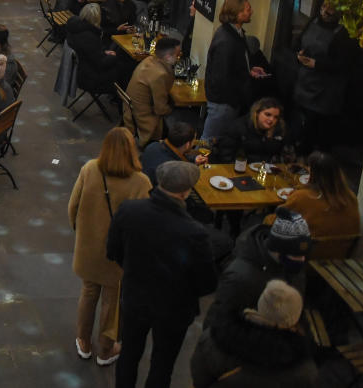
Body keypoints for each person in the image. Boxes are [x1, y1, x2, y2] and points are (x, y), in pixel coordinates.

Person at [107, 160, 218, 388]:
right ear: (186, 191)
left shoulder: (129, 211)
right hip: (174, 310)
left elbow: (113, 251)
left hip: (135, 298)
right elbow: (207, 283)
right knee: (163, 364)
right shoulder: (195, 232)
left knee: (128, 355)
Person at [69, 128, 153, 366]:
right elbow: (144, 222)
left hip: (89, 248)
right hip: (119, 253)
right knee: (112, 300)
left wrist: (81, 234)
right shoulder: (141, 181)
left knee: (88, 292)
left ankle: (83, 341)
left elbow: (72, 206)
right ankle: (105, 350)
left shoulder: (90, 169)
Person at [204, 208, 311, 339]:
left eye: (303, 255)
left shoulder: (293, 266)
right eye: (295, 254)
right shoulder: (240, 276)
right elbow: (216, 320)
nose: (302, 260)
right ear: (277, 248)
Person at [190, 279, 316, 388]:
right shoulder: (303, 369)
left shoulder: (216, 337)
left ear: (261, 304)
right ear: (295, 318)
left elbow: (199, 376)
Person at [292, 1, 354, 151]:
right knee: (298, 125)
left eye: (329, 10)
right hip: (305, 81)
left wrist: (317, 64)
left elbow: (344, 64)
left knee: (315, 132)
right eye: (323, 7)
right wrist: (299, 54)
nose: (325, 12)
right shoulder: (313, 21)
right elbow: (298, 42)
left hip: (325, 90)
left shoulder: (342, 33)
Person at [204, 0, 267, 139]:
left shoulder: (236, 33)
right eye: (247, 9)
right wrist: (233, 100)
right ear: (236, 13)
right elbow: (221, 76)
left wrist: (249, 70)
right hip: (224, 103)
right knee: (209, 140)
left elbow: (233, 65)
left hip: (228, 102)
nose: (251, 11)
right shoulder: (226, 40)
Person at [277, 151, 360, 240]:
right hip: (340, 252)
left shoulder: (302, 197)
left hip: (307, 251)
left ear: (313, 174)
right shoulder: (350, 198)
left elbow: (276, 222)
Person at [66, 3, 137, 94]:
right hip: (92, 78)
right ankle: (121, 98)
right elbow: (101, 63)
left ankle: (119, 97)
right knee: (126, 69)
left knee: (122, 64)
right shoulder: (90, 37)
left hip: (84, 70)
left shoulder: (77, 29)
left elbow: (92, 53)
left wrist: (104, 52)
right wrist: (113, 57)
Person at [124, 36, 181, 145]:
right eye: (178, 55)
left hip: (131, 111)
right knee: (183, 116)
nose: (179, 58)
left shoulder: (149, 60)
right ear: (168, 57)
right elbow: (160, 109)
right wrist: (173, 107)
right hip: (145, 119)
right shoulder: (160, 74)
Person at [212, 97, 289, 163]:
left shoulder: (278, 130)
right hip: (239, 170)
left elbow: (280, 156)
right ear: (257, 113)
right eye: (267, 114)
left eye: (276, 117)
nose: (271, 119)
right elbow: (225, 157)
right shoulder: (239, 127)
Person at [139, 121, 208, 184]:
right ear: (187, 145)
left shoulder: (153, 145)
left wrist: (194, 160)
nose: (194, 143)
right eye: (194, 140)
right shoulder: (175, 170)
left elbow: (175, 155)